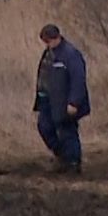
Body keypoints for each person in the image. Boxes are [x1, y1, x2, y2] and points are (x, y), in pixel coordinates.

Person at [33, 24, 90, 174]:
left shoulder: (70, 54)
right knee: (44, 126)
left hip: (65, 101)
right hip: (48, 100)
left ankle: (73, 162)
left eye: (49, 41)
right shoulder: (49, 53)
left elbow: (78, 79)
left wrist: (74, 102)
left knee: (67, 131)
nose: (47, 44)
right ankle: (61, 155)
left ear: (57, 37)